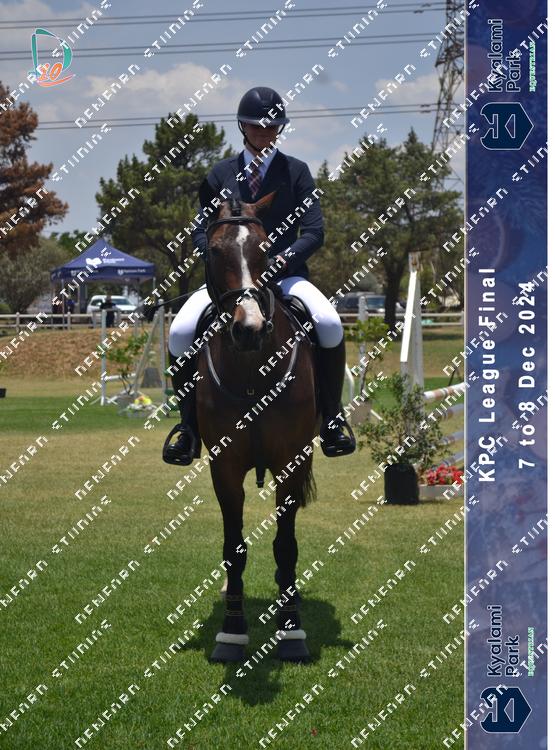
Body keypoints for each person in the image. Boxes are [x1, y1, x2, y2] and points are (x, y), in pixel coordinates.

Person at [163, 86, 356, 466]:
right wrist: (217, 259)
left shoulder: (296, 172)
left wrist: (283, 259)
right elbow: (200, 230)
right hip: (231, 280)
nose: (264, 132)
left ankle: (332, 419)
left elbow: (314, 231)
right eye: (256, 126)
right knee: (180, 331)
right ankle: (188, 427)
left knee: (330, 324)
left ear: (280, 129)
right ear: (243, 127)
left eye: (271, 126)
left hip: (284, 276)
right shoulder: (220, 174)